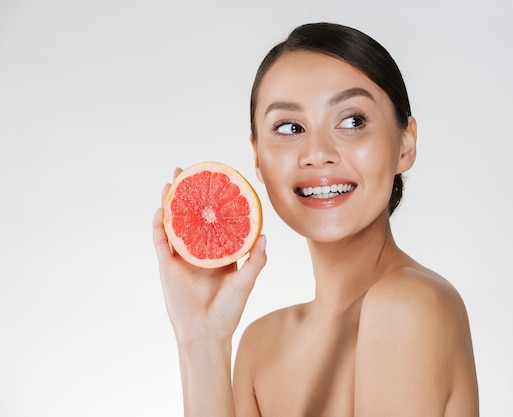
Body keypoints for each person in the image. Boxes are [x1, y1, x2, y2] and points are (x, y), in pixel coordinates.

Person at [153, 22, 479, 416]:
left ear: (405, 144)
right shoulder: (262, 347)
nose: (317, 152)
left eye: (352, 121)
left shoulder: (408, 306)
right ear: (257, 159)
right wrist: (201, 340)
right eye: (290, 127)